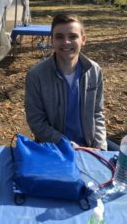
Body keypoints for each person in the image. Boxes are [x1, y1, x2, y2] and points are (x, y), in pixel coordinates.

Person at [25, 13, 107, 150]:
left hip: (90, 145)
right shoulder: (36, 75)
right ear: (52, 41)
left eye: (73, 36)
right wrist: (70, 146)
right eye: (59, 37)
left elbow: (97, 112)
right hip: (54, 148)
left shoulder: (94, 70)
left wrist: (100, 147)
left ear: (83, 39)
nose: (66, 42)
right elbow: (36, 121)